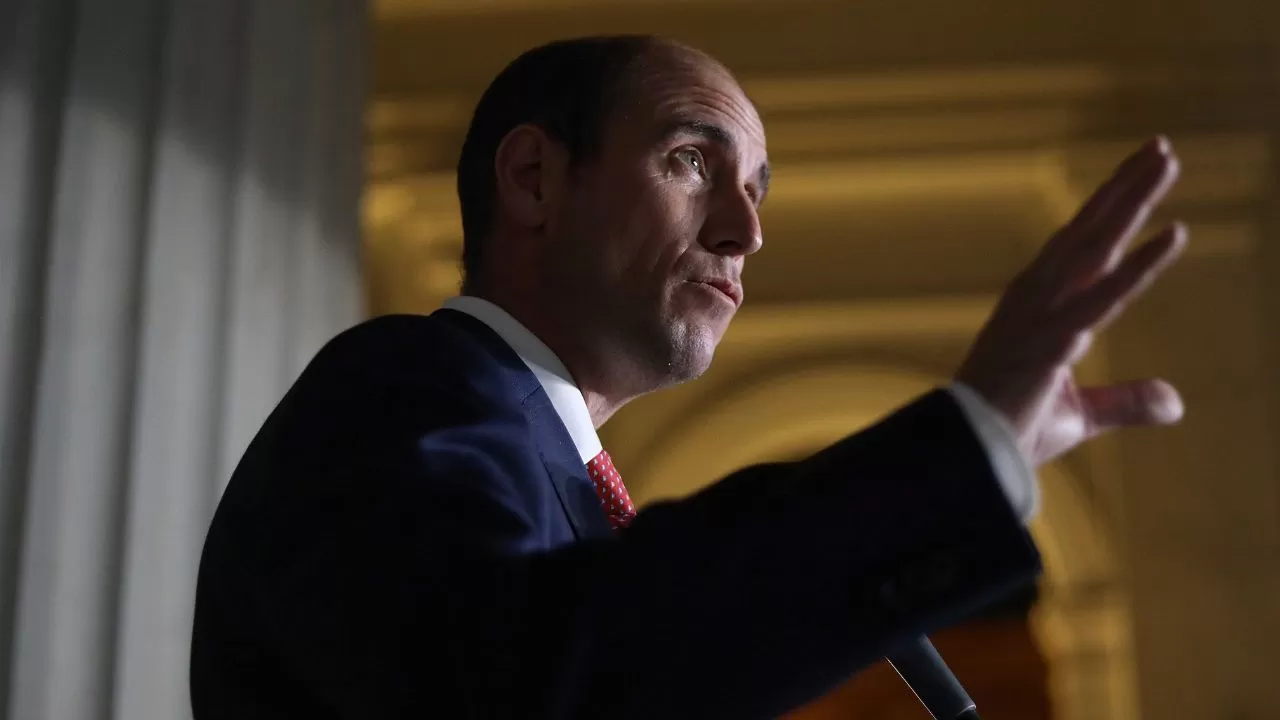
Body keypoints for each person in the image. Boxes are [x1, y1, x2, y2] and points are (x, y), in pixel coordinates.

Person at [189, 35, 1186, 719]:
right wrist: (955, 455)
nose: (746, 232)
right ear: (533, 179)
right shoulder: (401, 384)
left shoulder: (568, 489)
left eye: (754, 190)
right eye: (690, 161)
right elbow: (527, 679)